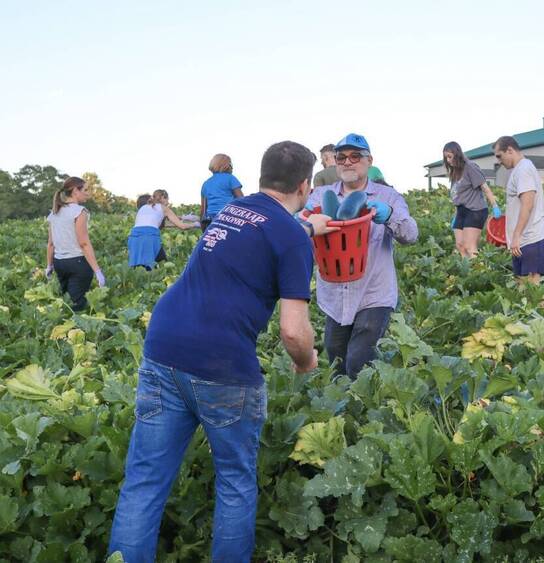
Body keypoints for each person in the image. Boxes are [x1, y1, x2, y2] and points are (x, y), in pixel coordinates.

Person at [108, 141, 337, 563]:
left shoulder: (232, 211)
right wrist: (306, 362)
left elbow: (268, 231)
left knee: (144, 481)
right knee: (234, 482)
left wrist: (307, 227)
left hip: (163, 346)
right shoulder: (291, 239)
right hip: (222, 364)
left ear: (260, 177)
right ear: (306, 186)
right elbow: (292, 331)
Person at [306, 133, 418, 378]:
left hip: (373, 291)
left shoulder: (388, 197)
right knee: (336, 356)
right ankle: (343, 407)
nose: (348, 162)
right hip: (334, 293)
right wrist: (301, 222)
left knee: (359, 357)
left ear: (369, 161)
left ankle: (365, 407)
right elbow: (302, 225)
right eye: (341, 157)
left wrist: (389, 215)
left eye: (355, 156)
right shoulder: (319, 197)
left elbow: (411, 234)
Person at [493, 136, 544, 282]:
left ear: (510, 150)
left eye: (499, 156)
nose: (499, 161)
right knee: (521, 284)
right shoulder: (520, 169)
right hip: (523, 239)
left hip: (532, 237)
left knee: (533, 288)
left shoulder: (524, 169)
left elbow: (528, 204)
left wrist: (516, 236)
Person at [45, 177, 105, 311]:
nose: (88, 193)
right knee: (78, 306)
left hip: (59, 263)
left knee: (66, 302)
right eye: (85, 190)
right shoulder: (79, 211)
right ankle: (77, 330)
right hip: (77, 263)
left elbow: (51, 244)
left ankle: (65, 330)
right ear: (75, 191)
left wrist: (49, 266)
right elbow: (83, 243)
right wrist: (97, 271)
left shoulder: (55, 212)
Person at [442, 141, 501, 258]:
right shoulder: (455, 172)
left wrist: (495, 206)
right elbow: (458, 196)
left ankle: (478, 272)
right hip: (461, 211)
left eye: (450, 156)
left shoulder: (470, 167)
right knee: (460, 245)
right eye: (446, 158)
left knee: (470, 246)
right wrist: (456, 215)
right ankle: (468, 272)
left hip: (475, 210)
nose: (448, 160)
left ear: (457, 154)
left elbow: (485, 188)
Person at [128, 189, 197, 270]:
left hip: (134, 238)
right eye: (167, 199)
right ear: (163, 198)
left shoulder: (144, 207)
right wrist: (196, 224)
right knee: (161, 267)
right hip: (150, 238)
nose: (168, 202)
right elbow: (182, 226)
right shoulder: (164, 208)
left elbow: (159, 224)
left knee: (138, 269)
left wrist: (184, 218)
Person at [200, 153, 243, 230]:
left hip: (211, 219)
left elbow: (203, 209)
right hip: (228, 217)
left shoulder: (206, 183)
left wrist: (203, 227)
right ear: (227, 165)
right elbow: (241, 200)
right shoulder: (231, 178)